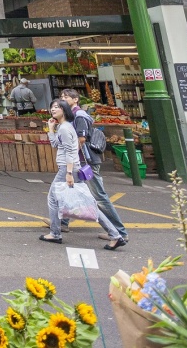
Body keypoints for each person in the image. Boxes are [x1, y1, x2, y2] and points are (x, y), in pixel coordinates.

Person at [40, 98, 125, 250]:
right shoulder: (63, 127)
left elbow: (71, 151)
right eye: (52, 107)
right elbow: (55, 145)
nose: (53, 110)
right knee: (89, 203)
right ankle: (115, 235)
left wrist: (69, 173)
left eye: (57, 107)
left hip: (68, 168)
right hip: (71, 168)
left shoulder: (66, 128)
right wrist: (51, 129)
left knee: (52, 199)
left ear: (64, 110)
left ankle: (55, 233)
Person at [61, 88, 128, 243]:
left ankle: (120, 232)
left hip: (86, 161)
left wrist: (71, 158)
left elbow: (81, 139)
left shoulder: (79, 116)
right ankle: (62, 222)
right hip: (81, 161)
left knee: (99, 197)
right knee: (69, 190)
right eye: (61, 97)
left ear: (75, 99)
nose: (63, 99)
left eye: (66, 97)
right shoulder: (71, 116)